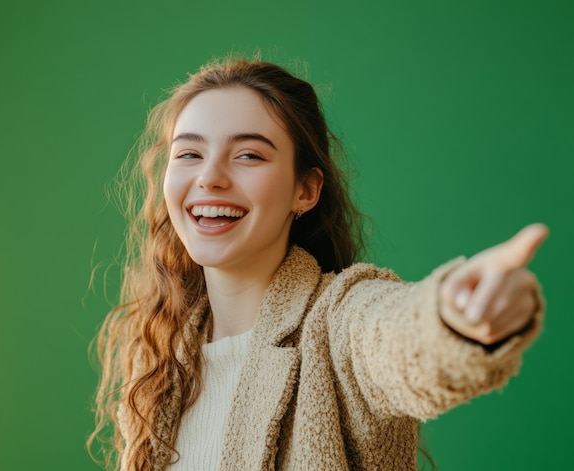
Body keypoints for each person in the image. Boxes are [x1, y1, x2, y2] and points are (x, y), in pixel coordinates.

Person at [88, 57, 547, 471]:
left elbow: (396, 335)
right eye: (189, 153)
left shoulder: (339, 322)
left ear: (304, 190)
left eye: (248, 154)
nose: (209, 177)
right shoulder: (161, 355)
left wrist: (454, 318)